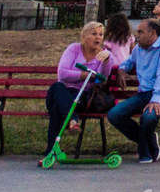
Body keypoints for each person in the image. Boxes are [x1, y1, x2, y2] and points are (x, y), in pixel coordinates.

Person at [107, 18, 160, 163]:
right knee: (114, 114)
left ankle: (145, 152)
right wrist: (122, 70)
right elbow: (129, 62)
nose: (137, 36)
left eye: (140, 32)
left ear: (152, 33)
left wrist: (156, 99)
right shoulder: (139, 48)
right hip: (144, 94)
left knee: (148, 116)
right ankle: (149, 141)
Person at [44, 22, 115, 157]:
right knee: (57, 88)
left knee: (57, 107)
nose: (98, 37)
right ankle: (72, 119)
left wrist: (106, 61)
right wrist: (85, 75)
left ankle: (50, 151)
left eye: (101, 35)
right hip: (64, 92)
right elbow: (62, 74)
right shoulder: (74, 49)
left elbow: (102, 78)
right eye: (94, 34)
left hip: (84, 97)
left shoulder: (104, 55)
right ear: (84, 36)